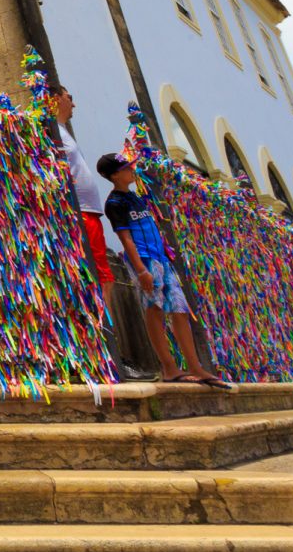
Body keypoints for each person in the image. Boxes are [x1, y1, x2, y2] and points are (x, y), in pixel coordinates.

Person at [95, 154, 230, 389]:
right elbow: (125, 238)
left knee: (180, 310)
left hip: (161, 260)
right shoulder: (115, 203)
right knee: (154, 309)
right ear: (115, 175)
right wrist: (140, 269)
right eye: (126, 168)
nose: (131, 170)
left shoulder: (136, 198)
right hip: (145, 261)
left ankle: (195, 366)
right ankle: (169, 367)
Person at [49, 84, 154, 381]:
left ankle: (103, 349)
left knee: (103, 281)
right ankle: (102, 351)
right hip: (79, 213)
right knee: (101, 281)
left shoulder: (64, 131)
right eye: (71, 97)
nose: (74, 104)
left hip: (88, 213)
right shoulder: (52, 130)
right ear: (56, 99)